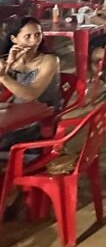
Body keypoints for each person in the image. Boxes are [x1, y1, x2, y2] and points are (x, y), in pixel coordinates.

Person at [0, 18, 61, 155]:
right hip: (17, 112)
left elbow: (30, 95)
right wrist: (9, 64)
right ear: (14, 39)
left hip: (41, 117)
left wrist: (3, 76)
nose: (34, 41)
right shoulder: (11, 60)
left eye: (38, 34)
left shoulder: (49, 60)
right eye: (27, 36)